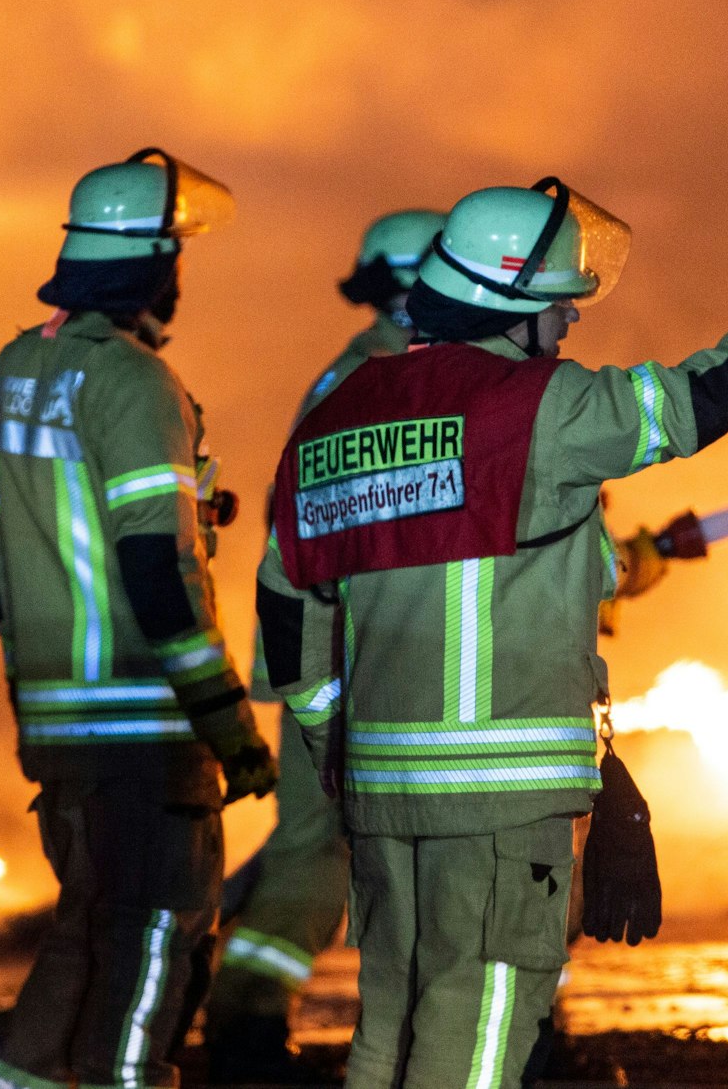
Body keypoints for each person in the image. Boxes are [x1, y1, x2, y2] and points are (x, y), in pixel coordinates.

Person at [255, 178, 728, 1087]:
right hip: (504, 809)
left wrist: (330, 739)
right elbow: (703, 398)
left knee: (386, 1028)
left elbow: (289, 601)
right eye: (559, 308)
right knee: (472, 1045)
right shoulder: (538, 408)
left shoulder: (336, 421)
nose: (569, 329)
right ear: (509, 307)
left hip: (382, 799)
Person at [0, 148, 278, 1089]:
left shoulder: (19, 367)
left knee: (86, 937)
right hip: (146, 735)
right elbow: (158, 568)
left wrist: (42, 664)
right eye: (174, 254)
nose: (181, 274)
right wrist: (229, 728)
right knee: (153, 945)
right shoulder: (137, 386)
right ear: (148, 264)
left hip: (60, 734)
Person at [204, 208, 446, 1079]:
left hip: (333, 650)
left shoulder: (365, 374)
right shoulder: (393, 383)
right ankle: (242, 1019)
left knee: (316, 845)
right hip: (354, 657)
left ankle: (224, 988)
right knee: (328, 852)